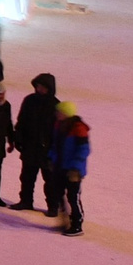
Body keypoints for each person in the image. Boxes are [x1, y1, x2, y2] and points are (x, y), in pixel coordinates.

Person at [11, 73, 60, 214]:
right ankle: (26, 201)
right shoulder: (29, 101)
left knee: (50, 181)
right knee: (27, 177)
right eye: (38, 86)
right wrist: (18, 138)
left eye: (43, 87)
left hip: (47, 151)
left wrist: (54, 150)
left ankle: (53, 206)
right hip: (30, 148)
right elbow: (21, 122)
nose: (40, 89)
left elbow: (58, 131)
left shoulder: (56, 106)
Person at [53, 100, 89, 235]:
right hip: (60, 167)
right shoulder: (58, 125)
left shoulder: (79, 128)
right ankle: (65, 220)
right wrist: (52, 158)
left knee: (73, 197)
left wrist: (76, 169)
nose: (57, 114)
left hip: (73, 170)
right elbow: (55, 145)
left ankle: (77, 223)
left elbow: (83, 150)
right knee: (58, 193)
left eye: (59, 112)